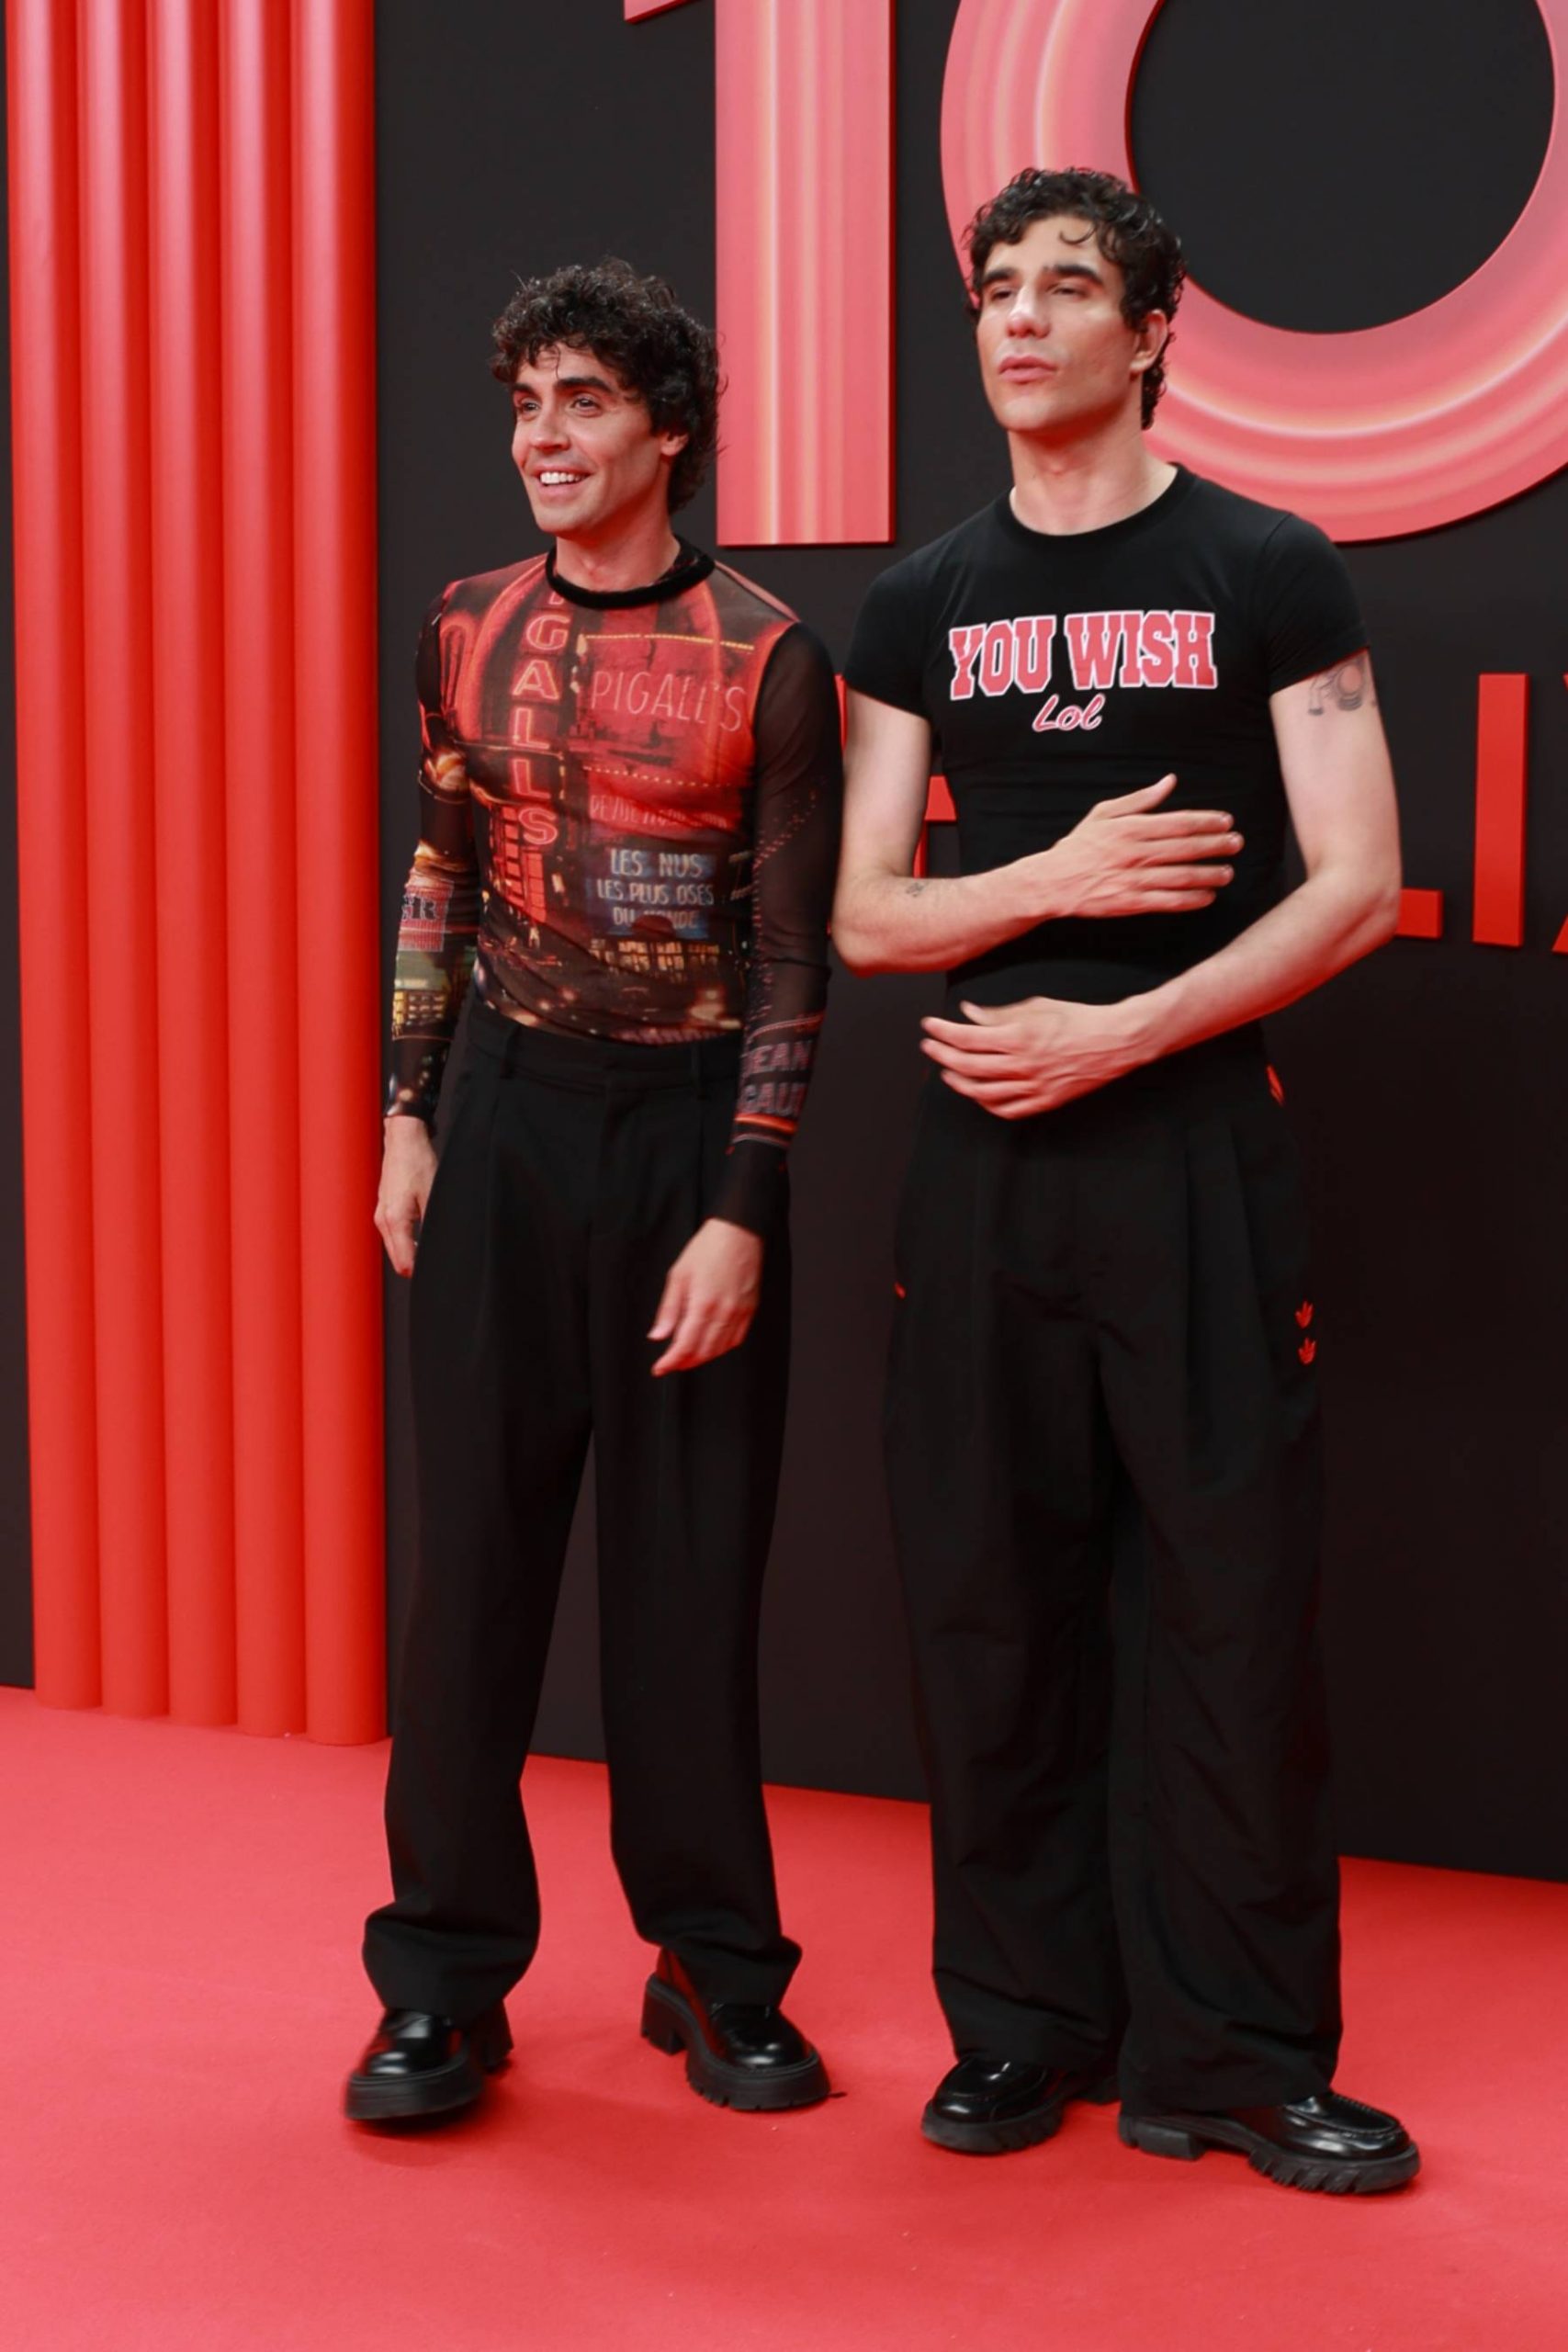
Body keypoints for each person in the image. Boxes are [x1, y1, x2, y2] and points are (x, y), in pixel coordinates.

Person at [833, 168, 1417, 2194]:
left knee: (1231, 1615)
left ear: (1151, 329)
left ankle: (1236, 2057)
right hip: (979, 1173)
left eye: (1065, 286)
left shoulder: (1267, 566)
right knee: (989, 1606)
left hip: (1190, 1157)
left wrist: (1125, 1027)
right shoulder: (918, 601)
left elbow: (1357, 883)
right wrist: (1057, 879)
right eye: (994, 287)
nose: (1017, 318)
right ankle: (1022, 2027)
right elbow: (866, 915)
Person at [347, 260, 841, 2126]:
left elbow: (793, 955)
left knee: (687, 1573)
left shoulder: (771, 654)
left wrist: (743, 1203)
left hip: (690, 1134)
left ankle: (714, 1966)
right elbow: (438, 874)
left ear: (667, 432)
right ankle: (439, 1981)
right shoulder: (463, 623)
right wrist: (406, 1115)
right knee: (471, 1570)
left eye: (580, 403)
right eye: (524, 405)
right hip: (503, 1118)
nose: (540, 439)